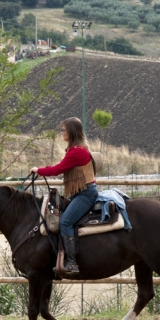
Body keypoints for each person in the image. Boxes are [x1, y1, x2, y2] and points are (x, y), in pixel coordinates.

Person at [31, 117, 97, 275]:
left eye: (63, 130)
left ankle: (72, 263)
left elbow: (57, 169)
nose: (61, 132)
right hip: (80, 192)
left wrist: (38, 170)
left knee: (66, 222)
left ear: (71, 132)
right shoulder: (78, 149)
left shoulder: (77, 152)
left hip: (85, 194)